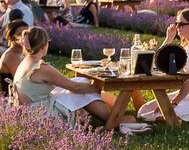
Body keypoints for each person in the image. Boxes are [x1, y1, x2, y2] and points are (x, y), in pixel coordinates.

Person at [12, 27, 147, 132]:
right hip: (41, 114)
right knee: (81, 85)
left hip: (29, 110)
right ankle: (111, 121)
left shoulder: (24, 62)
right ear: (43, 46)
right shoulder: (41, 68)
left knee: (80, 83)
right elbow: (74, 87)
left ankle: (110, 119)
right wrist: (96, 88)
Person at [0, 20, 31, 97]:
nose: (25, 37)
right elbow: (24, 81)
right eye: (20, 34)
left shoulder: (23, 52)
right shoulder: (11, 56)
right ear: (11, 38)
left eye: (27, 33)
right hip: (9, 100)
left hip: (22, 96)